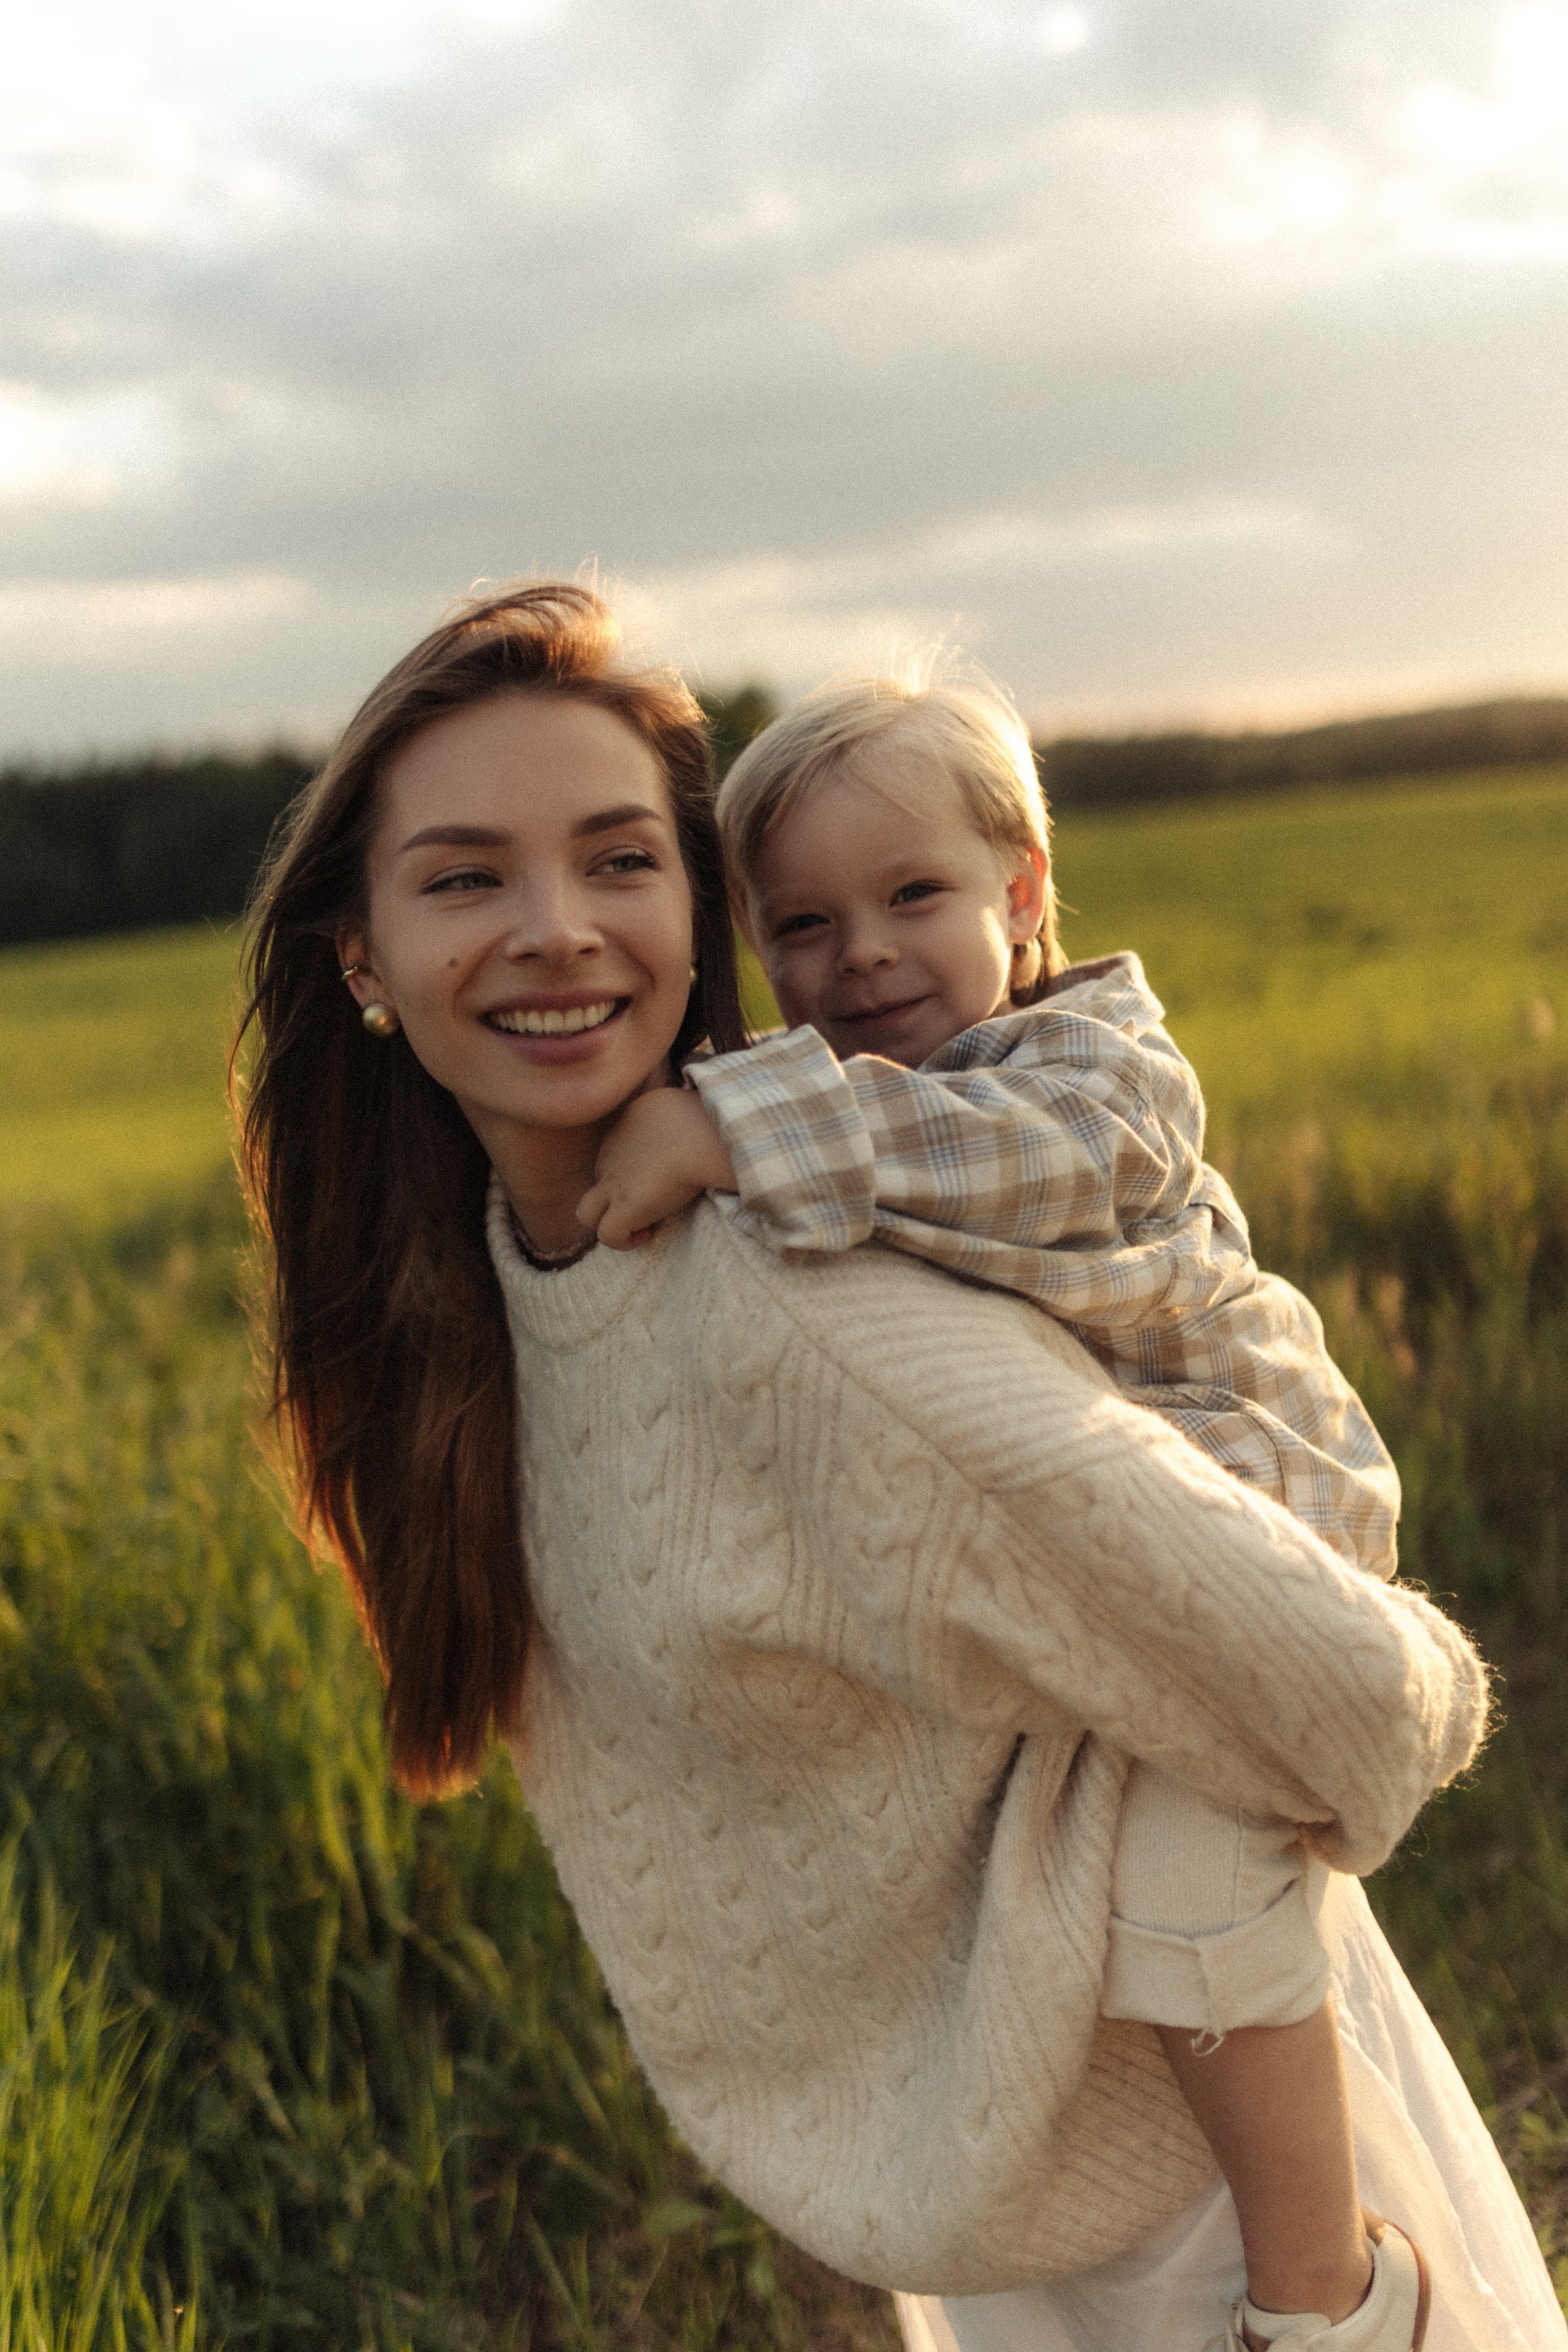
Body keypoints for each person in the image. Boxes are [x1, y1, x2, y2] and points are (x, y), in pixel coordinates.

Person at [236, 585, 1550, 2352]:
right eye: (468, 876)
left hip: (1207, 2205)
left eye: (619, 860)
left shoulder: (819, 1301)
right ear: (357, 952)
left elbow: (1352, 1694)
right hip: (989, 2177)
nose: (555, 929)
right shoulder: (486, 1301)